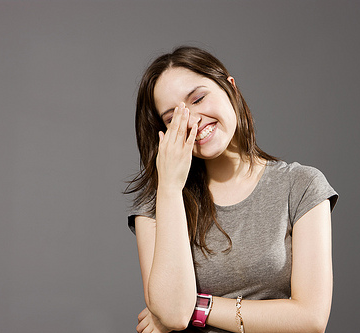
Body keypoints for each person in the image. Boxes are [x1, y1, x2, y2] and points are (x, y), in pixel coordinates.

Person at [125, 46, 338, 333]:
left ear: (231, 88)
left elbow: (310, 318)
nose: (192, 120)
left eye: (199, 98)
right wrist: (170, 188)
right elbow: (174, 314)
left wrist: (199, 305)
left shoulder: (300, 185)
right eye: (173, 118)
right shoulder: (158, 203)